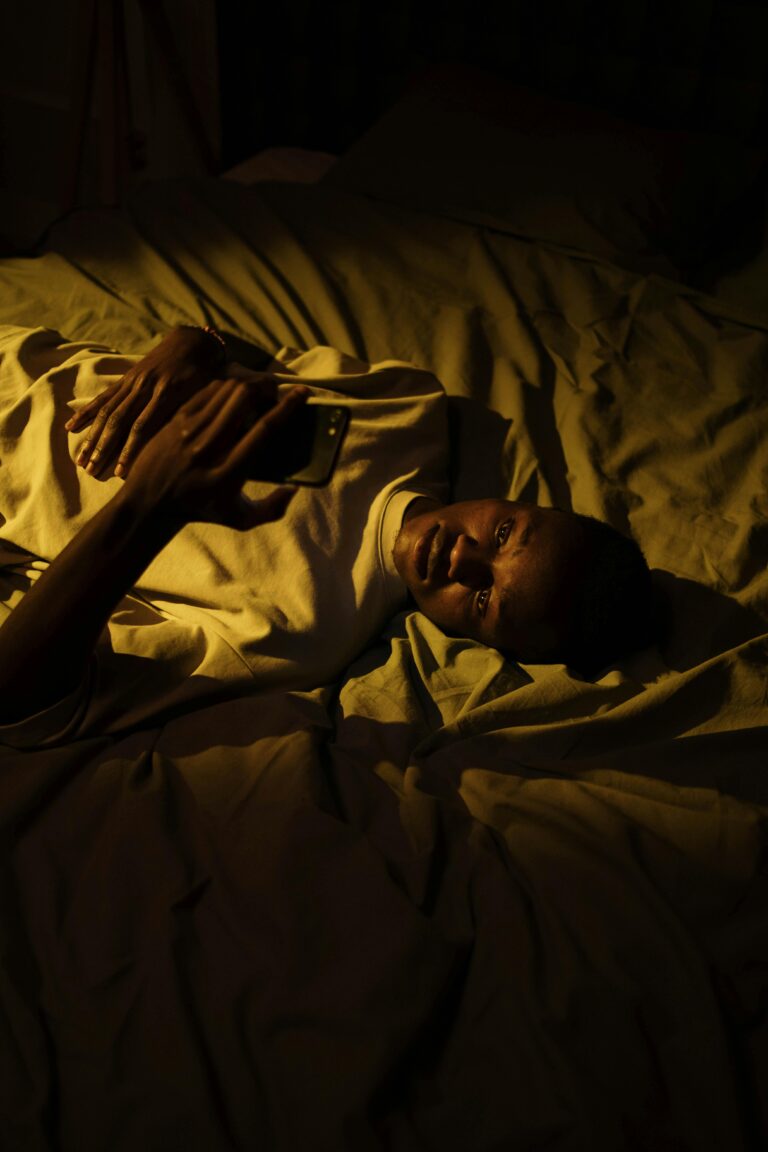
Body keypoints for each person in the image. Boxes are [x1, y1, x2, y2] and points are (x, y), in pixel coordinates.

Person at [0, 326, 655, 736]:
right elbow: (259, 359)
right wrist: (197, 344)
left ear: (480, 641)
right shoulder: (410, 408)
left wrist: (150, 504)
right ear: (515, 500)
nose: (463, 558)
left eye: (484, 599)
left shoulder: (306, 631)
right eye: (505, 534)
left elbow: (20, 699)